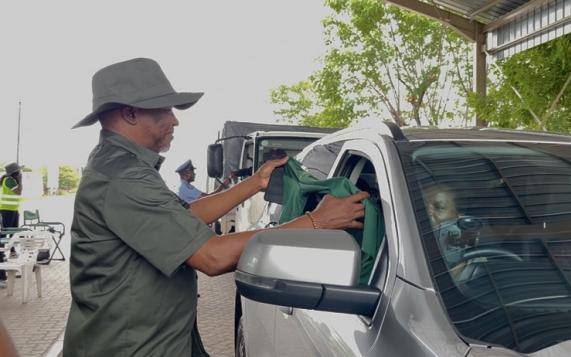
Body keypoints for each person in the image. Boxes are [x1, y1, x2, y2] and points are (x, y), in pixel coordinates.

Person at [63, 57, 368, 357]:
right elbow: (213, 257)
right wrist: (316, 222)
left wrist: (255, 182)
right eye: (165, 109)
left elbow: (184, 219)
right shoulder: (122, 177)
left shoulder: (121, 167)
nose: (175, 119)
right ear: (130, 113)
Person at [0, 162, 22, 289]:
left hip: (13, 209)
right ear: (16, 173)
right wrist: (20, 181)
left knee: (14, 232)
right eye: (19, 172)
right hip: (6, 210)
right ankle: (3, 253)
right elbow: (19, 192)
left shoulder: (11, 180)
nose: (21, 173)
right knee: (4, 234)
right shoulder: (9, 180)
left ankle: (12, 251)